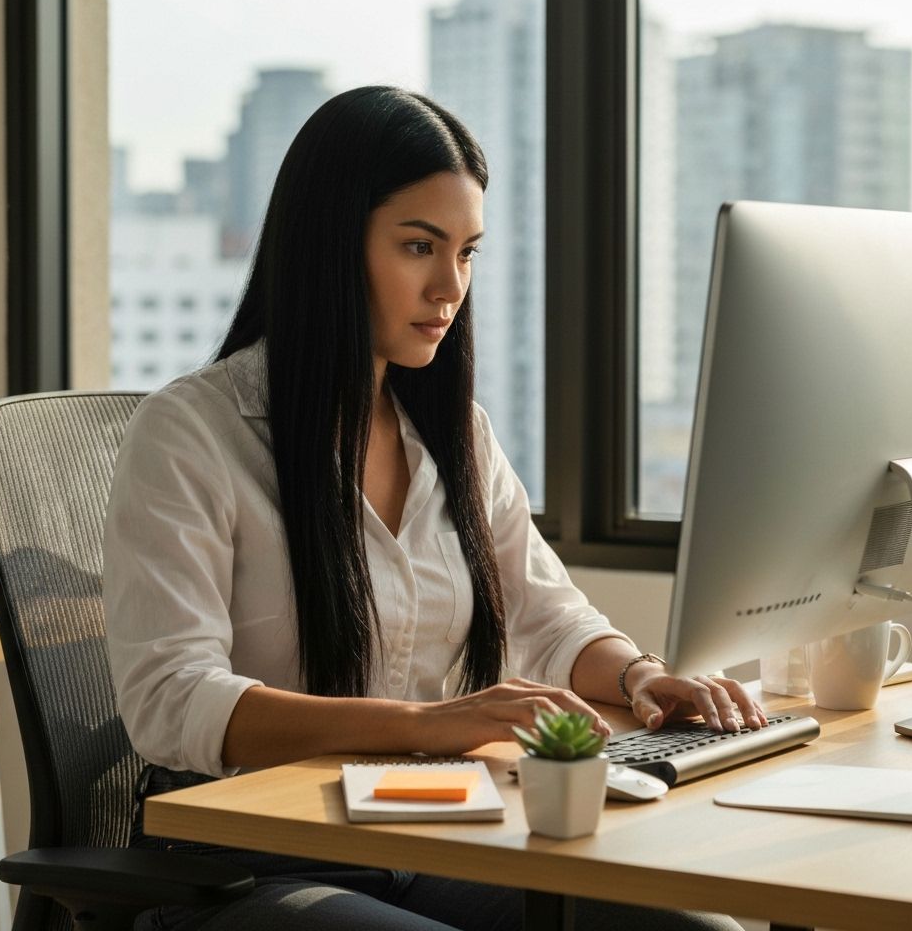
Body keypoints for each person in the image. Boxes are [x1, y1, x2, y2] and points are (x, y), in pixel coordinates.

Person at [103, 86, 764, 931]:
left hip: (426, 834)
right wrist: (430, 724)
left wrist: (641, 677)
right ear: (330, 247)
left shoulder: (453, 436)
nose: (450, 286)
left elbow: (547, 616)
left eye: (467, 252)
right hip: (249, 865)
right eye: (420, 246)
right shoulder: (193, 434)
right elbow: (171, 699)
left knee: (698, 930)